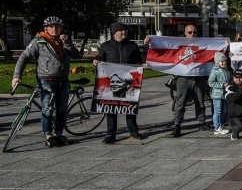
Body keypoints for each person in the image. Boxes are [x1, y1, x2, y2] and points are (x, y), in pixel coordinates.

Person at [13, 16, 80, 148]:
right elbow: (24, 57)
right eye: (51, 27)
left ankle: (59, 134)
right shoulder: (39, 41)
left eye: (57, 27)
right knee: (47, 109)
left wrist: (68, 44)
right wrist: (16, 75)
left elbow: (77, 55)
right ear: (46, 29)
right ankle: (49, 135)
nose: (54, 29)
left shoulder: (64, 41)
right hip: (46, 81)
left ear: (61, 28)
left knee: (62, 109)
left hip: (63, 80)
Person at [93, 21, 145, 144]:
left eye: (125, 30)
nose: (124, 32)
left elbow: (138, 61)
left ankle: (133, 131)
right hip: (112, 81)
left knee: (130, 107)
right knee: (111, 108)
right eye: (121, 30)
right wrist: (96, 60)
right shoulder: (105, 45)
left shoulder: (133, 46)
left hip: (128, 82)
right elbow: (101, 58)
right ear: (114, 32)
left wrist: (141, 65)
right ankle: (110, 134)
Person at [169, 24, 211, 138]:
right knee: (180, 103)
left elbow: (213, 53)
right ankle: (177, 126)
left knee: (200, 102)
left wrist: (224, 43)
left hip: (199, 77)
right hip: (184, 78)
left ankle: (202, 122)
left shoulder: (202, 44)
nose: (193, 34)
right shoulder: (179, 44)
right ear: (185, 33)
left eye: (195, 32)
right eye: (190, 32)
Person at [208, 52, 232, 135]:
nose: (223, 63)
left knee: (223, 111)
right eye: (221, 61)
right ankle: (216, 127)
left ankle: (221, 125)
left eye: (224, 61)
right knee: (217, 111)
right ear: (217, 62)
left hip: (224, 94)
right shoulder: (215, 70)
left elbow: (229, 80)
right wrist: (222, 85)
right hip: (217, 94)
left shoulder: (227, 71)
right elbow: (210, 82)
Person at [224, 69, 242, 140]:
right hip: (234, 114)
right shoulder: (229, 87)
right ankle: (234, 133)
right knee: (239, 126)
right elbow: (232, 98)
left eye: (240, 77)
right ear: (233, 78)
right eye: (236, 77)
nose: (238, 79)